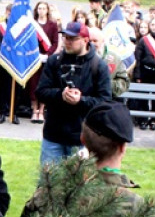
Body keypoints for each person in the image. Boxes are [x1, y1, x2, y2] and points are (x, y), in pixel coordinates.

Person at [35, 21, 113, 166]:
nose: (67, 41)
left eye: (72, 38)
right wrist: (60, 95)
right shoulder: (54, 61)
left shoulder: (99, 66)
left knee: (78, 186)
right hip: (53, 136)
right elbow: (40, 92)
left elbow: (105, 102)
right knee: (49, 186)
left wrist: (81, 100)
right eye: (65, 37)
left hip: (82, 139)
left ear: (85, 40)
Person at [29, 0, 60, 124]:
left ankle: (41, 110)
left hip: (46, 60)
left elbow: (55, 42)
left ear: (47, 10)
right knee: (33, 85)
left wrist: (47, 55)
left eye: (43, 8)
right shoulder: (32, 24)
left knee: (44, 84)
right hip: (34, 59)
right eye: (39, 8)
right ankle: (34, 110)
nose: (41, 11)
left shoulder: (52, 25)